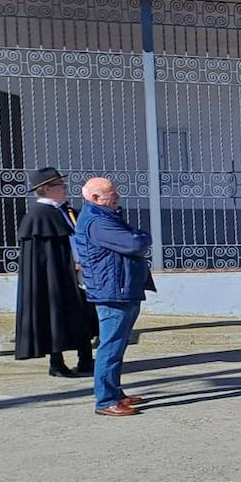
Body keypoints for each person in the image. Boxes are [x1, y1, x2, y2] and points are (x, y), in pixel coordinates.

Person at [72, 177, 155, 417]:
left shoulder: (107, 217)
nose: (117, 195)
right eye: (111, 193)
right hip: (113, 291)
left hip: (121, 288)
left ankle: (115, 393)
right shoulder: (98, 222)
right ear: (95, 197)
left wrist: (139, 238)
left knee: (117, 346)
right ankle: (106, 400)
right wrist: (141, 238)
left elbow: (135, 239)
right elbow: (134, 243)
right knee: (110, 347)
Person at [14, 167, 95, 378]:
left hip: (75, 274)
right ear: (46, 189)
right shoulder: (39, 216)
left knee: (84, 314)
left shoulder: (64, 210)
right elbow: (45, 256)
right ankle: (57, 363)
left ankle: (86, 359)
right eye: (60, 185)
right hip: (54, 277)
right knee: (55, 316)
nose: (65, 188)